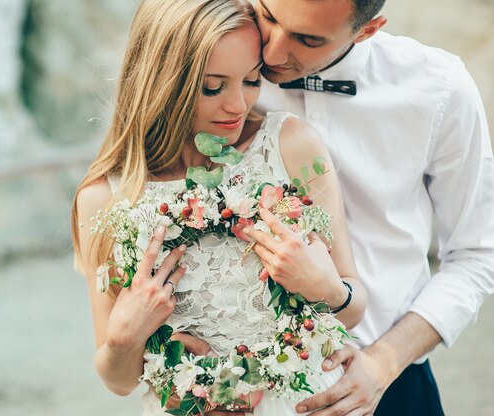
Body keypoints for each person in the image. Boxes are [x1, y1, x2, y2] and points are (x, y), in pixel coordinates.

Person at [71, 1, 368, 415]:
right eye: (213, 86)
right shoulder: (105, 197)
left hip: (303, 403)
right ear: (162, 81)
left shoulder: (292, 146)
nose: (238, 105)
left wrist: (327, 288)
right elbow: (118, 381)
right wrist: (126, 337)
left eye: (250, 80)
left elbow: (354, 309)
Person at [239, 0, 494, 415]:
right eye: (268, 16)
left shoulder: (441, 89)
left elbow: (477, 255)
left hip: (390, 384)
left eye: (307, 39)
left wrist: (384, 361)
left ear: (367, 30)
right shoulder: (214, 62)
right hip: (245, 388)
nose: (271, 54)